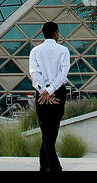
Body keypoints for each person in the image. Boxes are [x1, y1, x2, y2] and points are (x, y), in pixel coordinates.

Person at [27, 20, 71, 172]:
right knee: (52, 131)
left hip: (41, 93)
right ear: (56, 33)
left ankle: (43, 166)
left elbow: (34, 73)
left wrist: (44, 91)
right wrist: (51, 91)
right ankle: (55, 167)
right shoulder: (63, 50)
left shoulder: (35, 51)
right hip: (58, 92)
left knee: (46, 131)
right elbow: (63, 73)